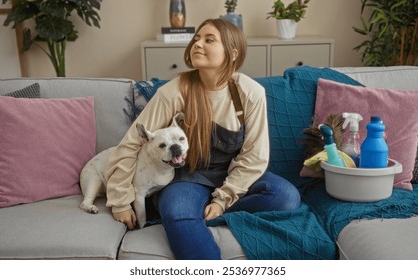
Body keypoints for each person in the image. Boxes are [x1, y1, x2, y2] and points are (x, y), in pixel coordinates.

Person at [104, 18, 301, 260]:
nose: (197, 44)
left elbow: (254, 156)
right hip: (187, 177)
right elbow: (132, 143)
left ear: (232, 53)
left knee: (287, 197)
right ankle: (189, 216)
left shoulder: (250, 92)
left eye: (209, 40)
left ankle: (204, 213)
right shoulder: (175, 91)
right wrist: (120, 200)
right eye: (196, 38)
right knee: (178, 213)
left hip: (232, 175)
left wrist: (222, 200)